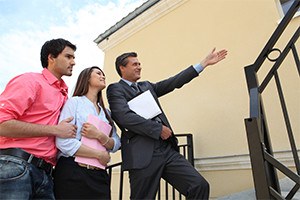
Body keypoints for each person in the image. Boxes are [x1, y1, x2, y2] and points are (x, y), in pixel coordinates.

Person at [106, 48, 228, 200]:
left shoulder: (147, 86)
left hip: (167, 150)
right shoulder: (115, 89)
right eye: (134, 64)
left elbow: (174, 82)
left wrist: (203, 64)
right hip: (142, 154)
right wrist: (158, 129)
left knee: (199, 185)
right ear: (122, 68)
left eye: (139, 63)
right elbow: (124, 117)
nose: (139, 67)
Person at [0, 38, 77, 199]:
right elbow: (2, 123)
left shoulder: (63, 94)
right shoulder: (30, 81)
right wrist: (55, 130)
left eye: (73, 57)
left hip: (45, 175)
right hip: (15, 166)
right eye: (68, 57)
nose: (73, 62)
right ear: (51, 58)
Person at [54, 66, 121, 200]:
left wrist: (100, 136)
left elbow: (117, 142)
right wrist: (99, 154)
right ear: (87, 78)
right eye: (98, 73)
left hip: (99, 176)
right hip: (73, 172)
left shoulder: (106, 113)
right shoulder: (74, 103)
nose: (103, 76)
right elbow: (63, 142)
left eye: (103, 74)